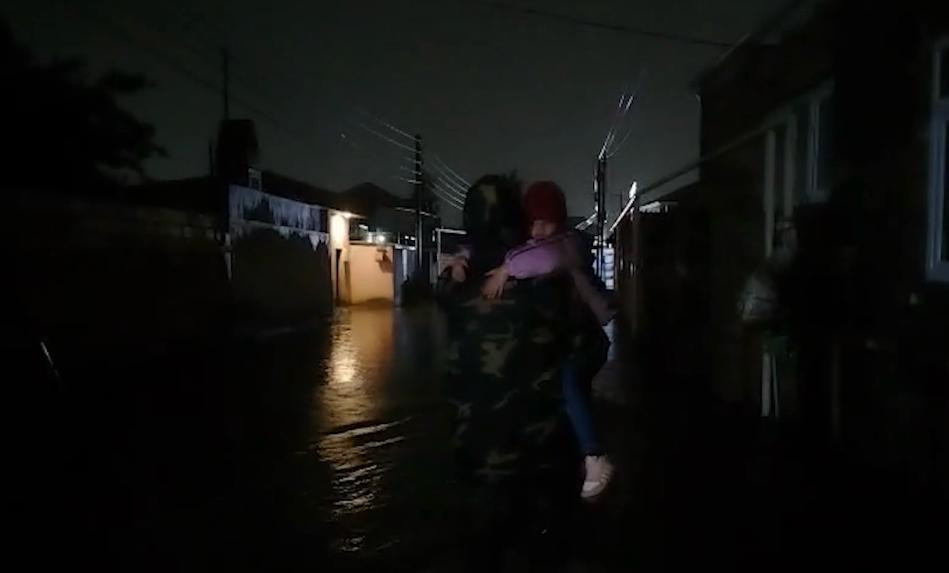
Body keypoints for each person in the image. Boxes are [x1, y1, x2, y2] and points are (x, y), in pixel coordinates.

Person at [437, 174, 579, 571]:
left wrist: (453, 270)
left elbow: (444, 290)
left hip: (476, 460)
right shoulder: (543, 289)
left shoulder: (456, 291)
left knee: (482, 554)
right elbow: (576, 340)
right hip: (536, 462)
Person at [453, 180, 615, 500]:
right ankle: (580, 444)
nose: (538, 230)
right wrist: (462, 257)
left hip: (589, 341)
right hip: (575, 338)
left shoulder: (567, 245)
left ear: (560, 222)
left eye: (546, 222)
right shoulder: (535, 244)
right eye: (533, 223)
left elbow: (544, 258)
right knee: (572, 392)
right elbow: (499, 249)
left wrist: (506, 270)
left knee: (569, 384)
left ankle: (596, 456)